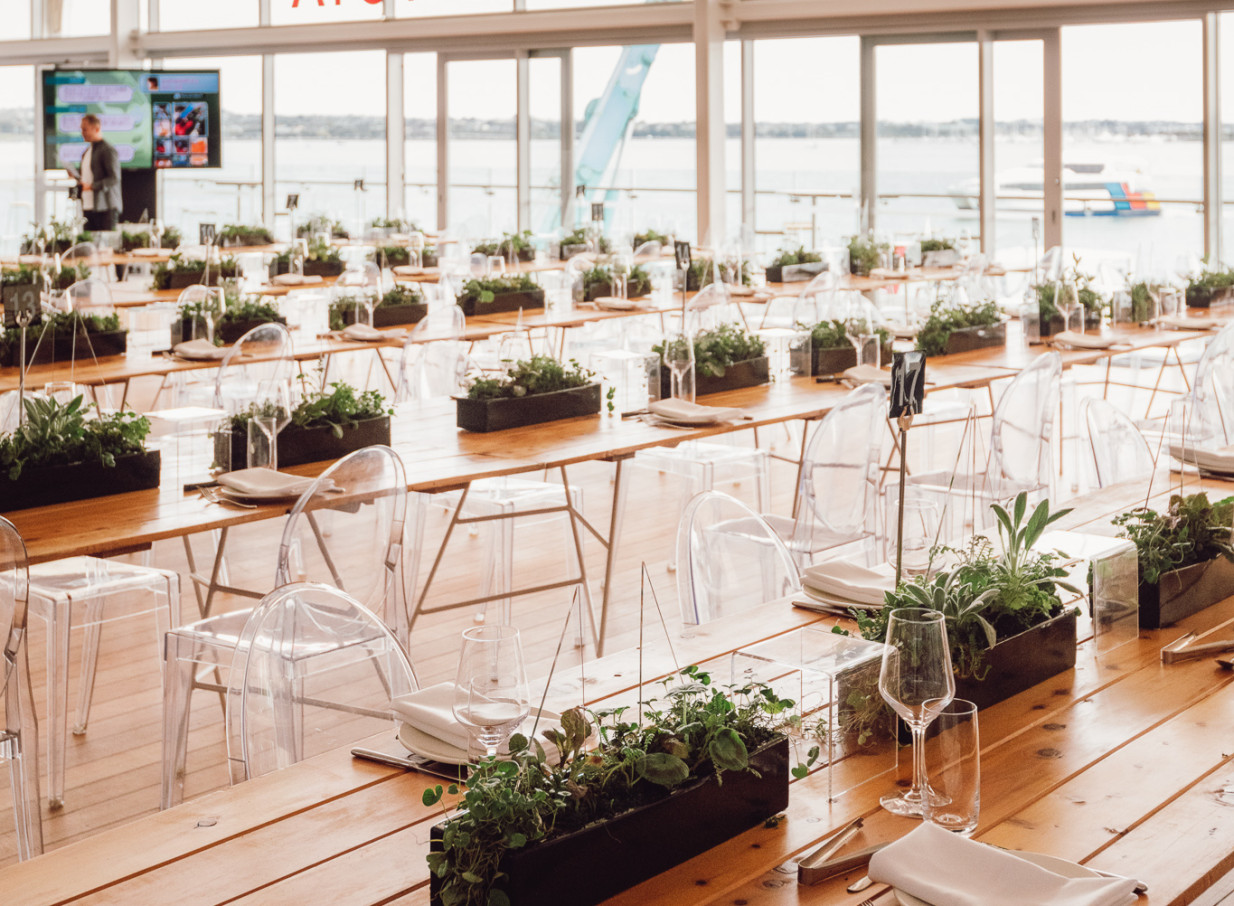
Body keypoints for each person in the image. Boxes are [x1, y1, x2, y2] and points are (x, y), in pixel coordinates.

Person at [76, 113, 121, 231]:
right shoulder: (88, 151)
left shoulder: (107, 150)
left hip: (105, 208)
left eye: (85, 129)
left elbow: (114, 178)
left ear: (96, 129)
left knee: (105, 242)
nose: (82, 132)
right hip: (88, 206)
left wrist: (92, 186)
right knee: (88, 241)